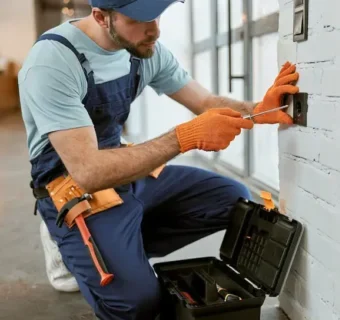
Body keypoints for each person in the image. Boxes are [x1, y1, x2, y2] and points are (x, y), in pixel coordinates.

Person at [18, 0, 299, 319]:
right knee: (137, 304)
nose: (154, 29)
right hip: (74, 188)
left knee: (233, 200)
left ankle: (118, 248)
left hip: (124, 172)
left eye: (157, 15)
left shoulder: (143, 48)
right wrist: (184, 137)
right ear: (100, 17)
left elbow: (204, 101)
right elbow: (87, 171)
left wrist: (259, 110)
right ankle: (71, 248)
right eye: (139, 19)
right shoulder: (53, 61)